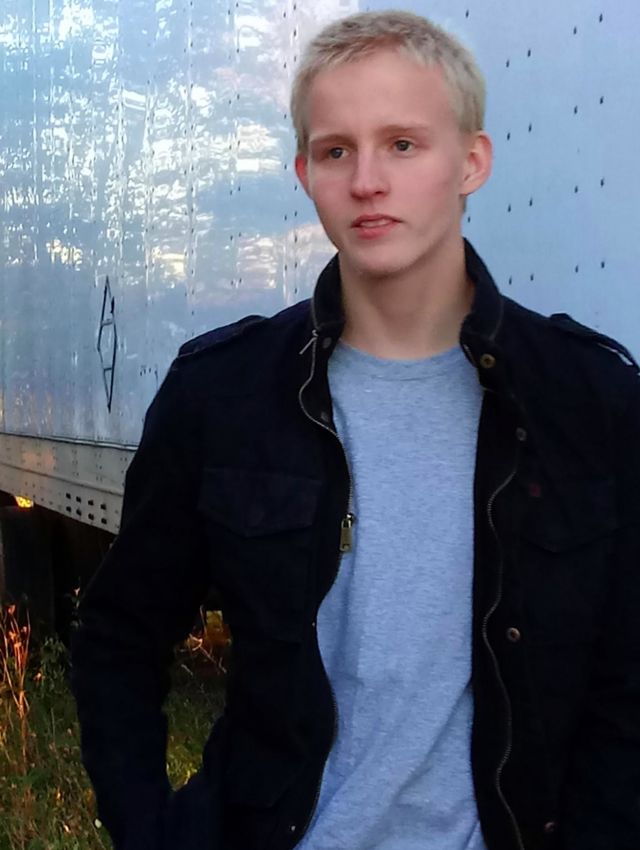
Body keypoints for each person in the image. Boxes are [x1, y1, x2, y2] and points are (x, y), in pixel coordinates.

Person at [71, 10, 640, 850]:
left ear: (471, 162)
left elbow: (625, 683)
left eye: (403, 144)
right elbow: (120, 639)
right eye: (337, 151)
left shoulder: (587, 399)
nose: (368, 181)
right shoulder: (223, 397)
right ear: (305, 172)